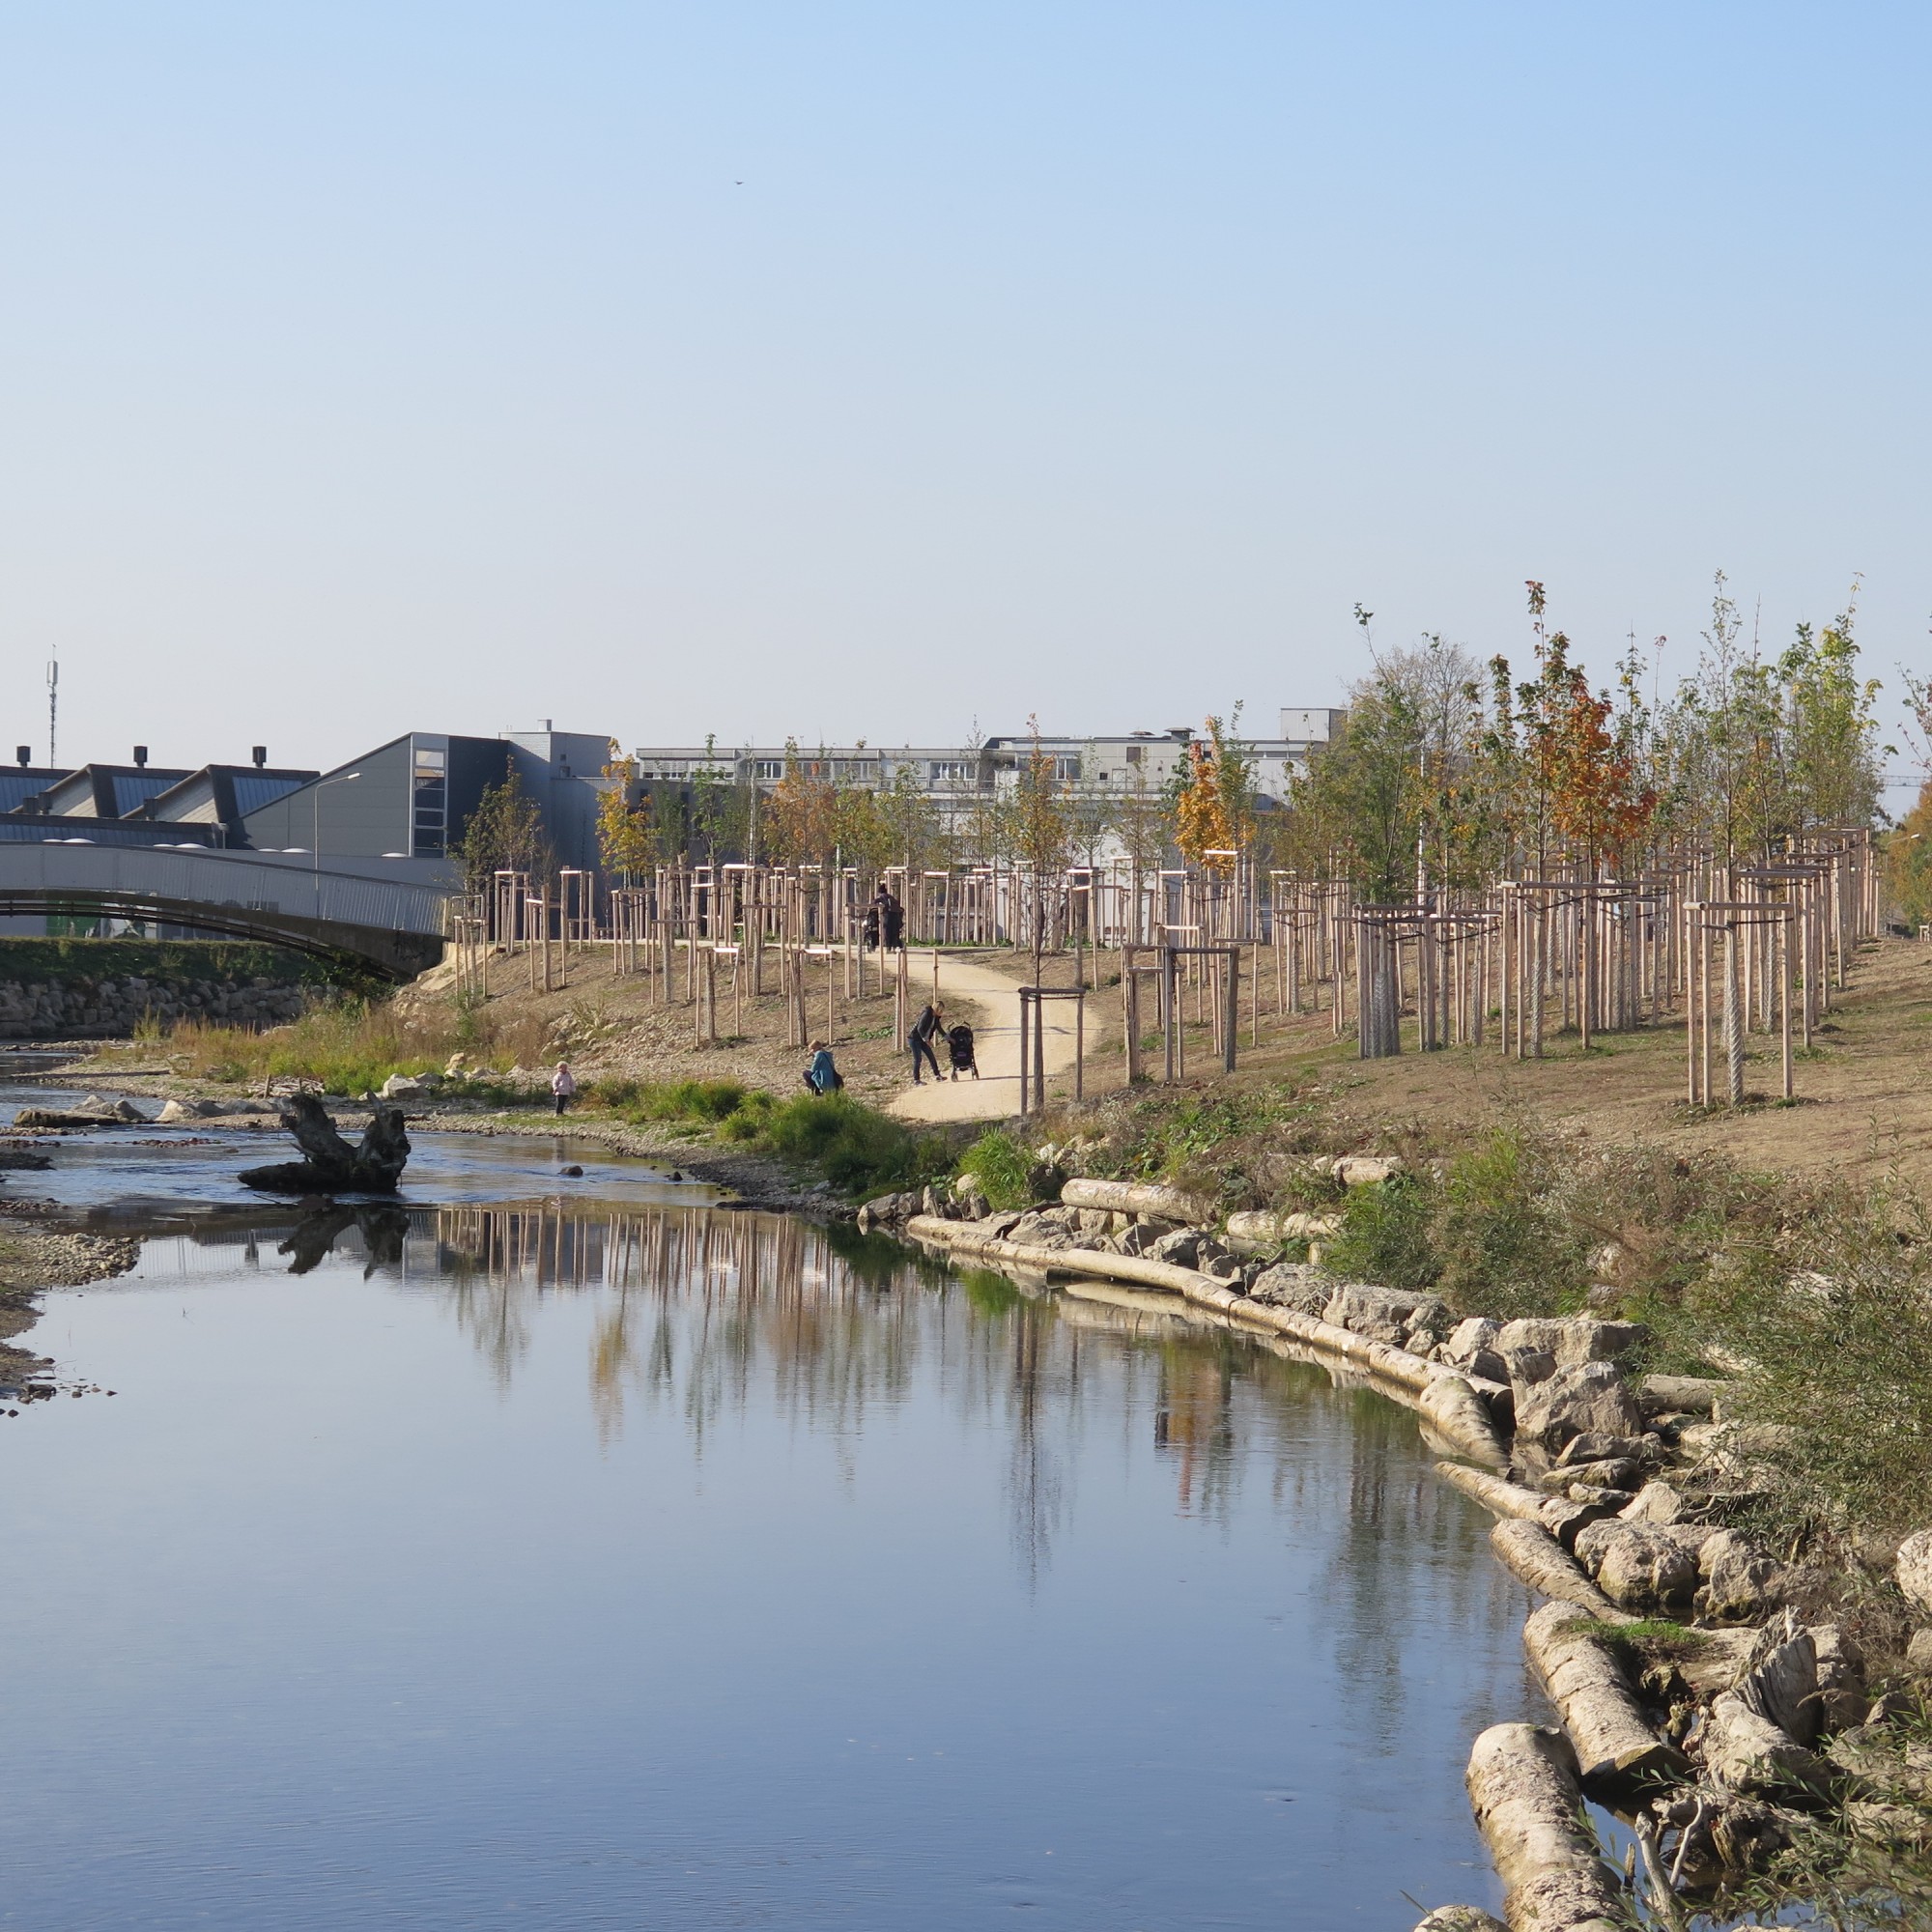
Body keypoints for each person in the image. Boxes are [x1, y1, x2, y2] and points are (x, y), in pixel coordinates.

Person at [908, 1002, 944, 1084]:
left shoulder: (936, 1018)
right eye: (940, 1011)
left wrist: (948, 1038)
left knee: (931, 1056)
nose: (941, 1013)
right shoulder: (926, 1014)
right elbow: (919, 1028)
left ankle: (937, 1075)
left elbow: (940, 1029)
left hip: (923, 1039)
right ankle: (916, 1080)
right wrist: (926, 1040)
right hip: (914, 1038)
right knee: (918, 1059)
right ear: (936, 1009)